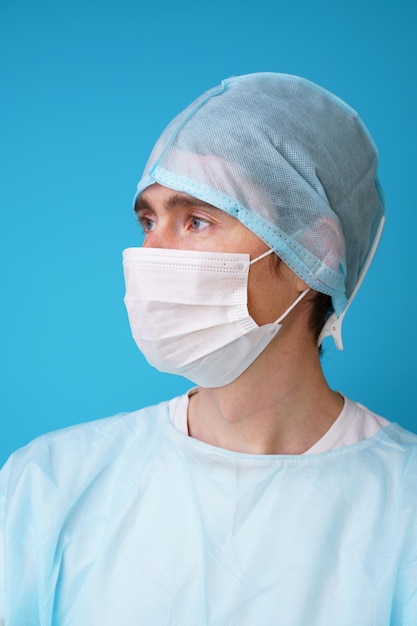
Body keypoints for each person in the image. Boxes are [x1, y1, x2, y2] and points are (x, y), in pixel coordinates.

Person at [1, 72, 416, 625]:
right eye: (148, 220)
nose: (152, 253)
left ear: (312, 255)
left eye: (196, 220)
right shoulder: (47, 485)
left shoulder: (402, 510)